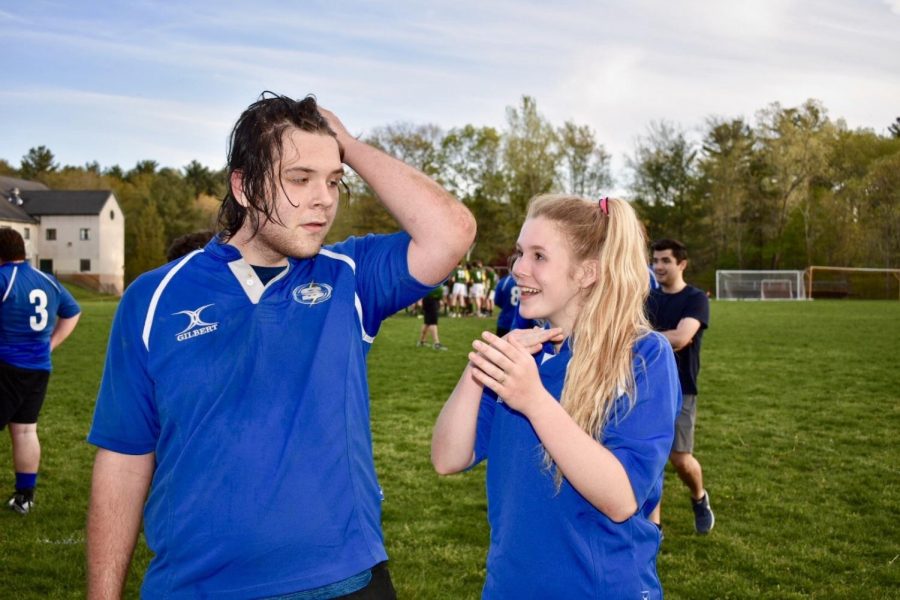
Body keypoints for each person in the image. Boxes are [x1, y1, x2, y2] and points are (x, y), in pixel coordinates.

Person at [86, 94, 476, 598]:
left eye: (334, 181)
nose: (324, 199)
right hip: (198, 588)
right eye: (300, 179)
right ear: (245, 186)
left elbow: (453, 231)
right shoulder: (153, 298)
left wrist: (350, 146)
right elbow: (123, 459)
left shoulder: (349, 278)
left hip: (344, 583)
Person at [432, 195, 680, 598]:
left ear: (586, 273)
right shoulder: (525, 357)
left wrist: (533, 399)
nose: (518, 269)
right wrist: (480, 368)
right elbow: (447, 457)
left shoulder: (643, 355)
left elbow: (621, 498)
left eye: (539, 256)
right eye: (519, 253)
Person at [0, 227, 81, 514]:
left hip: (7, 367)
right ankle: (24, 497)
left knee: (23, 431)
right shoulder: (47, 279)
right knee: (24, 431)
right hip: (38, 368)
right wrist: (51, 344)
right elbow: (73, 312)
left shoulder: (3, 278)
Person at [646, 238, 714, 534]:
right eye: (656, 260)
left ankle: (699, 497)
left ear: (681, 264)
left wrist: (642, 337)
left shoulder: (695, 299)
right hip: (646, 386)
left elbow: (682, 338)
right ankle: (654, 527)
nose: (658, 266)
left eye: (665, 261)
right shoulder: (647, 298)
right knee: (651, 457)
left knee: (679, 458)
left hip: (682, 387)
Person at [492, 271, 524, 338]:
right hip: (523, 323)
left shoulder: (504, 281)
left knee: (501, 347)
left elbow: (497, 301)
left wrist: (507, 307)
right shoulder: (529, 280)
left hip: (505, 321)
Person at [417, 284, 448, 350]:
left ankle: (422, 341)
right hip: (430, 299)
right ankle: (437, 344)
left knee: (427, 322)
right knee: (433, 322)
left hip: (432, 299)